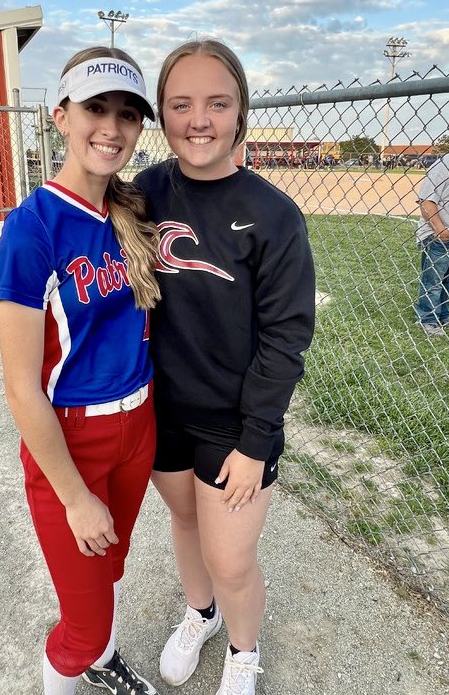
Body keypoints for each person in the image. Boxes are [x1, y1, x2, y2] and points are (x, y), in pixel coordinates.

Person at [134, 39, 316, 695]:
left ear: (241, 112)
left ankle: (243, 649)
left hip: (234, 421)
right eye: (180, 104)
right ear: (160, 114)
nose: (198, 119)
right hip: (163, 410)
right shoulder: (144, 193)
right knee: (185, 523)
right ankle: (200, 614)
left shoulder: (272, 214)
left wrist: (254, 438)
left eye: (217, 102)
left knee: (232, 556)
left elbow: (285, 335)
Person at [0, 46, 161, 695]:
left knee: (109, 571)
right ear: (60, 115)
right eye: (94, 107)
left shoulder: (129, 211)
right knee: (80, 625)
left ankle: (101, 656)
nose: (111, 127)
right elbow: (20, 387)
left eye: (127, 113)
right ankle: (88, 653)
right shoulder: (30, 231)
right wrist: (74, 495)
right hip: (72, 446)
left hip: (137, 428)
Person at [414, 134, 449, 336]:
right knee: (433, 280)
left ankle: (443, 316)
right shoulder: (445, 165)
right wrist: (440, 230)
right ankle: (427, 319)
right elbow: (426, 200)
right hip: (440, 235)